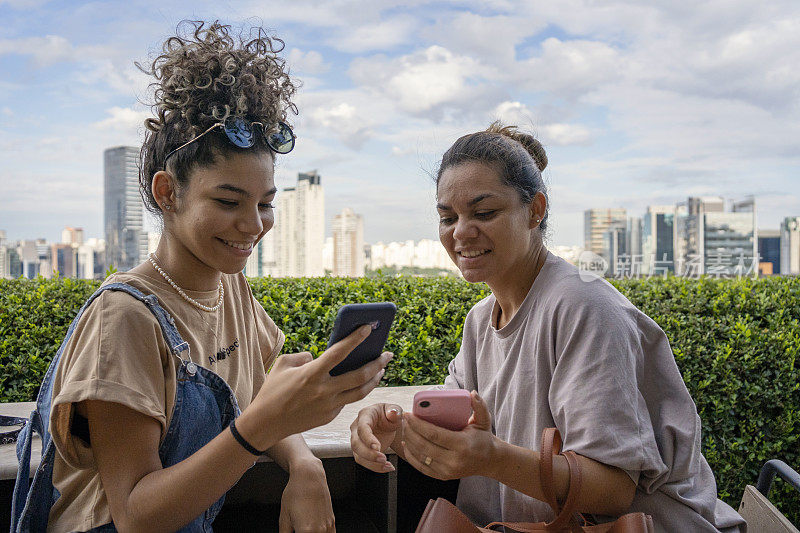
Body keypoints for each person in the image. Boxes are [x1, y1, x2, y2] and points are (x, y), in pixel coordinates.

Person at [11, 21, 391, 533]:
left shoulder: (226, 284)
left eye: (265, 203)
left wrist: (303, 464)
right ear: (167, 193)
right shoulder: (124, 318)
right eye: (229, 201)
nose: (253, 225)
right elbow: (136, 515)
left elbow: (259, 386)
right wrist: (263, 426)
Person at [350, 122, 745, 531]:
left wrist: (490, 458)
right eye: (447, 217)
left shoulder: (585, 308)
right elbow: (455, 426)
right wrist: (392, 425)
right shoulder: (481, 320)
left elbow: (612, 489)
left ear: (535, 211)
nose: (461, 232)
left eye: (484, 213)